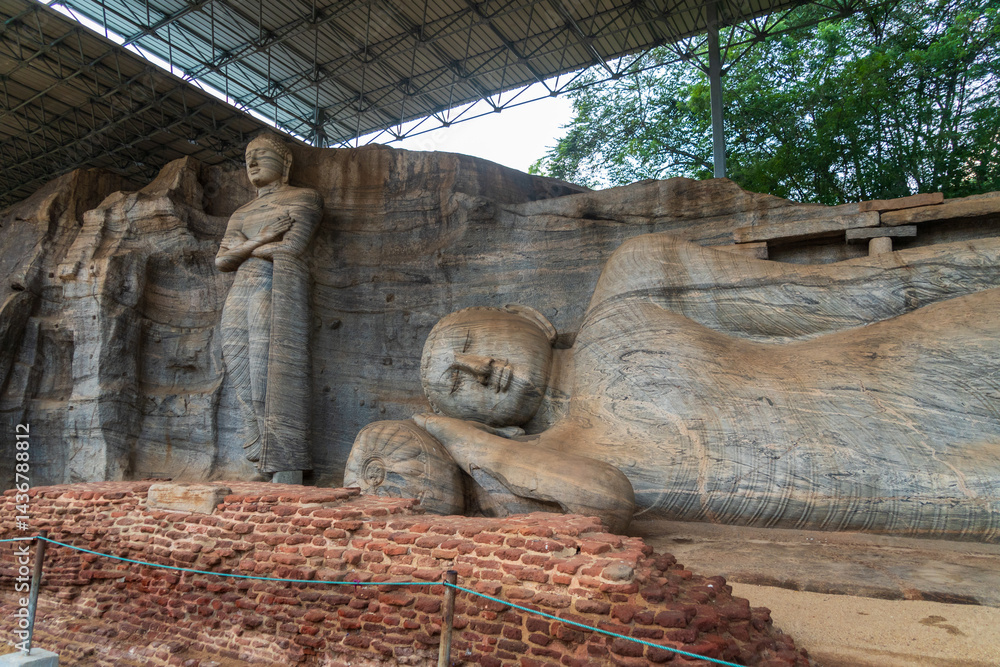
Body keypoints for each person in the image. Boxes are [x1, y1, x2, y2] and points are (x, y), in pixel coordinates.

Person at [348, 233, 1000, 541]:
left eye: (465, 345)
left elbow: (845, 293)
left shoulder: (634, 283)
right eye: (452, 388)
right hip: (956, 483)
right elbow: (602, 501)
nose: (473, 370)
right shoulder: (561, 462)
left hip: (940, 357)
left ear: (526, 315)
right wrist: (464, 441)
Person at [216, 134, 322, 482]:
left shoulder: (303, 198)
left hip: (270, 290)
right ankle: (260, 454)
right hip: (238, 294)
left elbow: (291, 249)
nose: (251, 162)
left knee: (266, 372)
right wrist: (260, 239)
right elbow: (222, 260)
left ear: (285, 164)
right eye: (247, 157)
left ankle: (282, 459)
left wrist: (244, 247)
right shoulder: (241, 213)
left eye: (260, 155)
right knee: (240, 372)